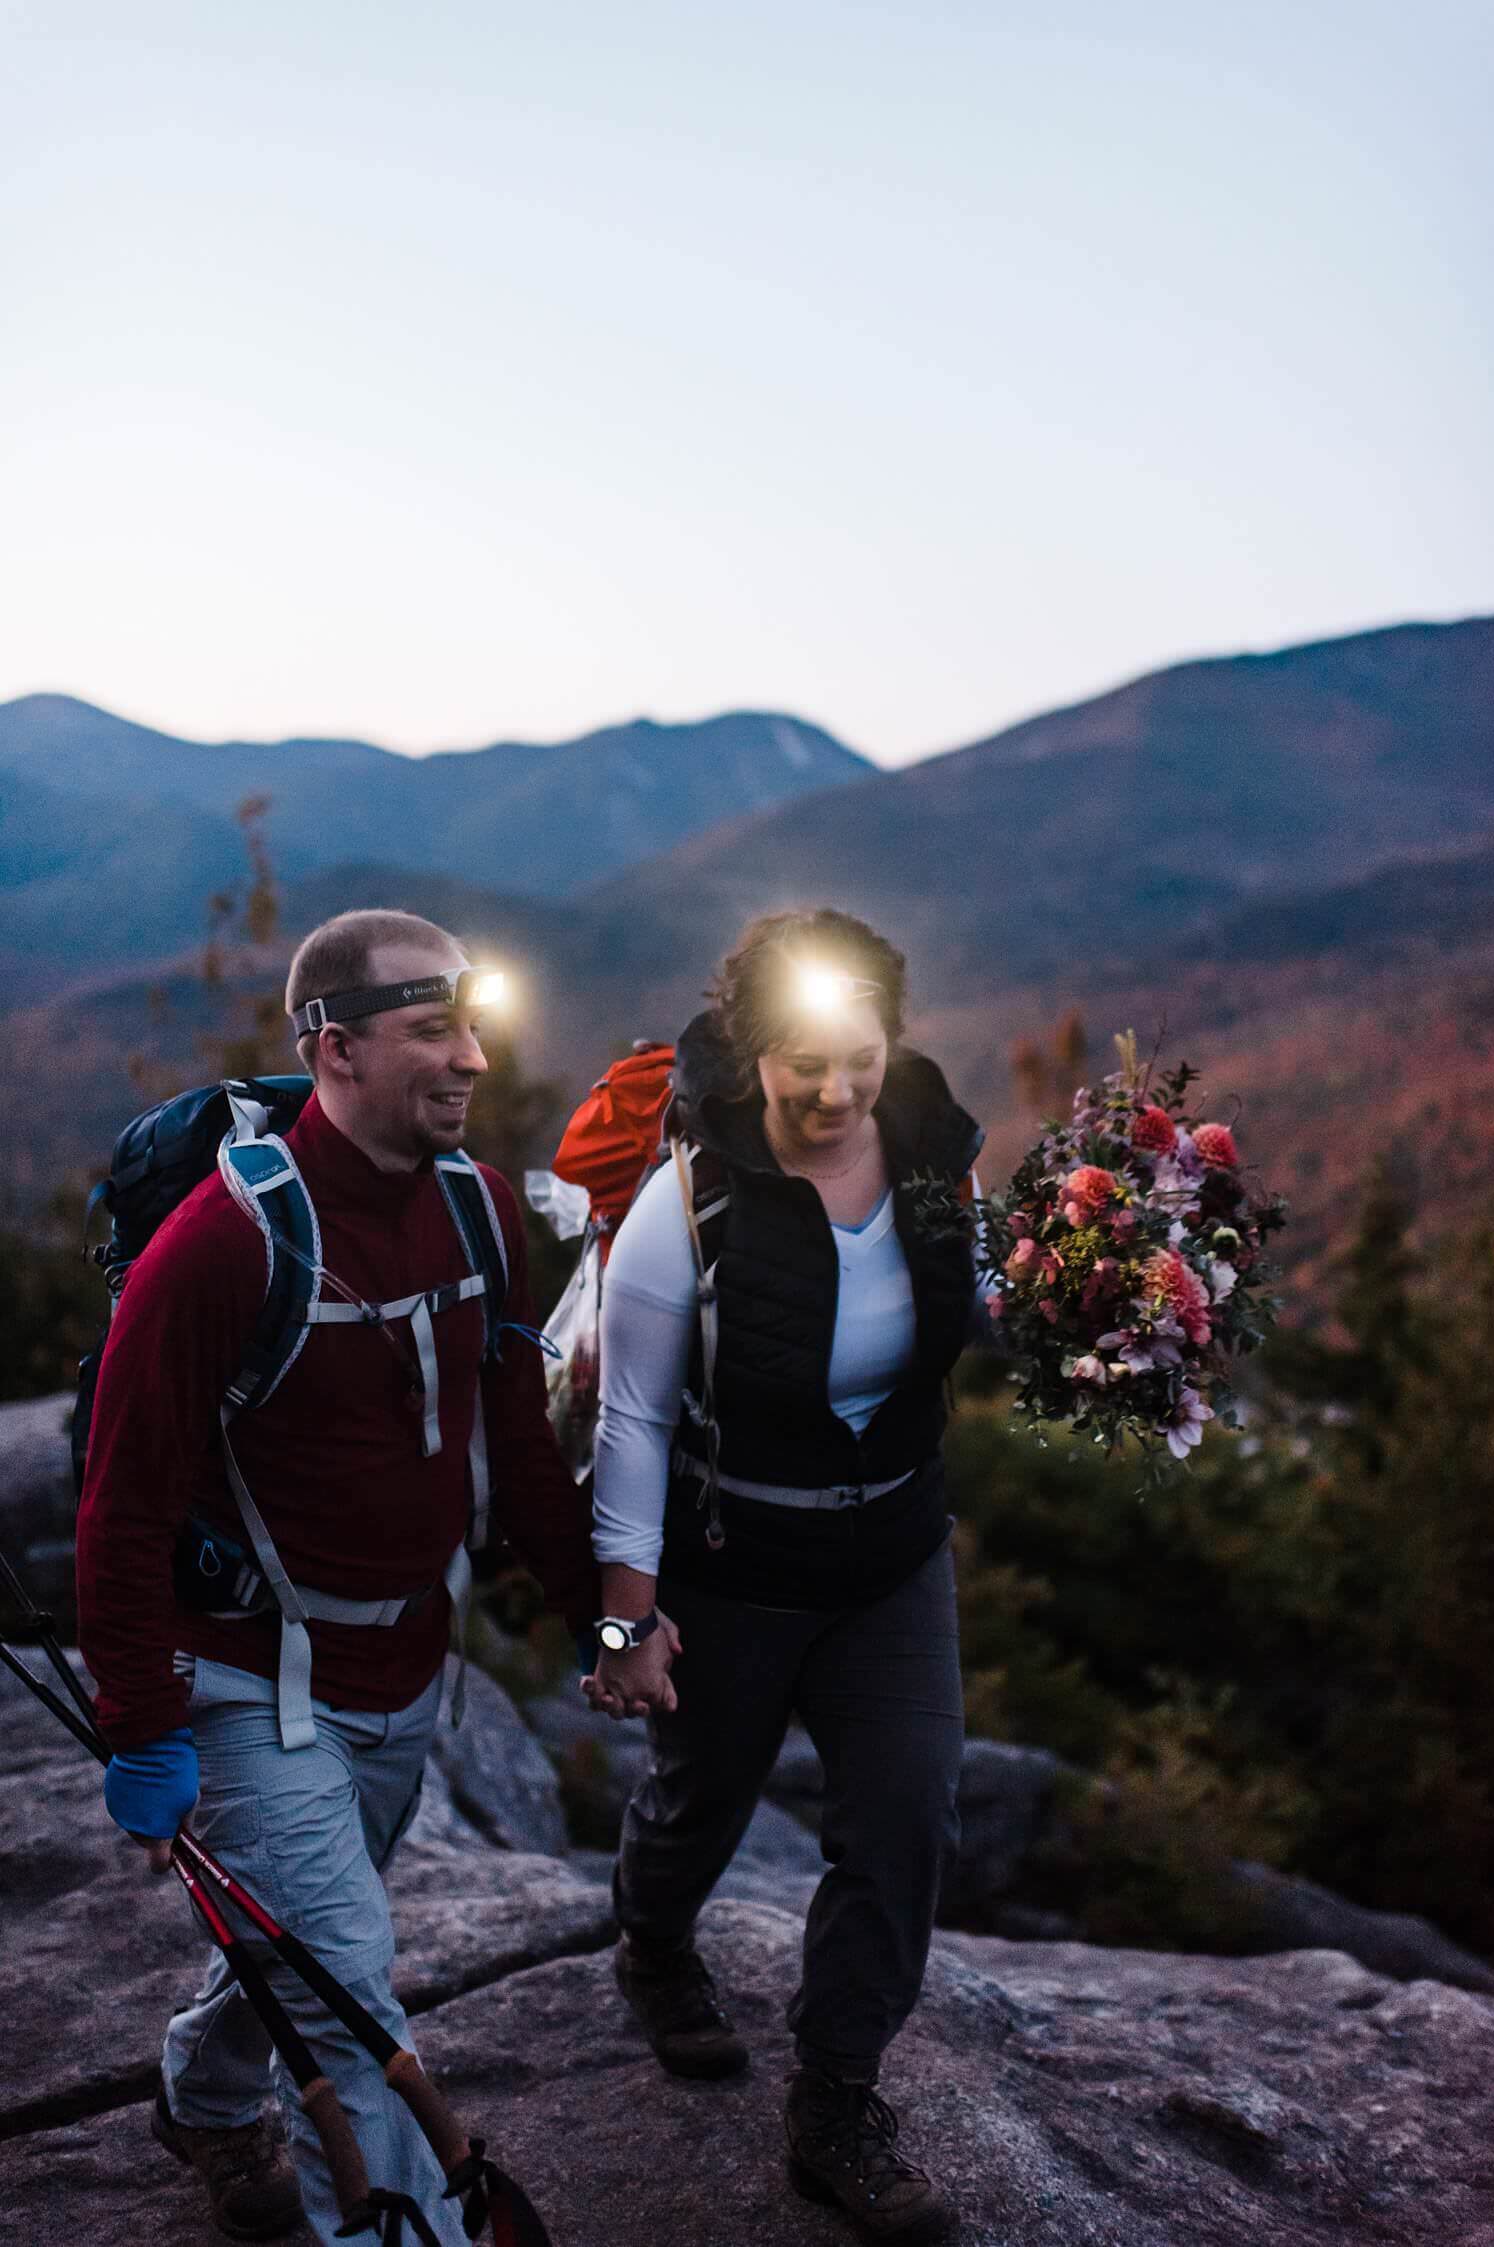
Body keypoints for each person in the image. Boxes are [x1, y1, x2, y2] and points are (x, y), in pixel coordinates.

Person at [76, 908, 597, 2245]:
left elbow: (519, 1436)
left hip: (408, 1668)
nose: (472, 1059)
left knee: (301, 1956)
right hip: (258, 1679)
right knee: (356, 1989)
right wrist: (141, 1726)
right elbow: (122, 1504)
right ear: (333, 1048)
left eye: (474, 1026)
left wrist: (607, 1612)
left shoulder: (481, 1212)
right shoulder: (221, 1247)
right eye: (433, 1030)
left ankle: (199, 2094)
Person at [584, 906, 982, 2246]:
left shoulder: (933, 1154)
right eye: (801, 1059)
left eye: (857, 1056)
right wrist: (627, 1621)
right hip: (737, 1561)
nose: (833, 1089)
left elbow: (961, 1297)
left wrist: (1098, 1311)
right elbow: (632, 1419)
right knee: (702, 1799)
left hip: (888, 1556)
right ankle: (649, 1938)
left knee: (908, 1812)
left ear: (892, 1043)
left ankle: (836, 2101)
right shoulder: (686, 1204)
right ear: (754, 1051)